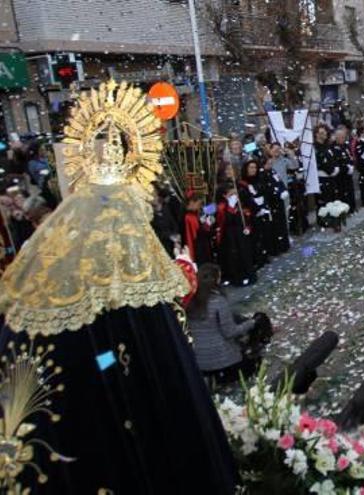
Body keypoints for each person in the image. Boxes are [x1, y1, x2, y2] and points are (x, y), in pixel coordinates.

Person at [0, 80, 236, 492]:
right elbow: (139, 362)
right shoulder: (125, 255)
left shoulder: (57, 242)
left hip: (61, 428)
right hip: (109, 419)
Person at [188, 263, 266, 384]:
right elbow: (230, 332)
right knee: (255, 357)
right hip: (222, 360)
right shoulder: (218, 301)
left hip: (200, 361)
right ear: (215, 279)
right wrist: (252, 322)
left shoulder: (191, 301)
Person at [215, 183, 256, 286]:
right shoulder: (222, 206)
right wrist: (230, 208)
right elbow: (225, 222)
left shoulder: (237, 203)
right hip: (231, 236)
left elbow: (244, 216)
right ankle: (239, 277)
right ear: (225, 195)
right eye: (232, 194)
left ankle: (248, 274)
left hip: (241, 233)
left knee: (245, 253)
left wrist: (247, 226)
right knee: (236, 257)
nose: (235, 195)